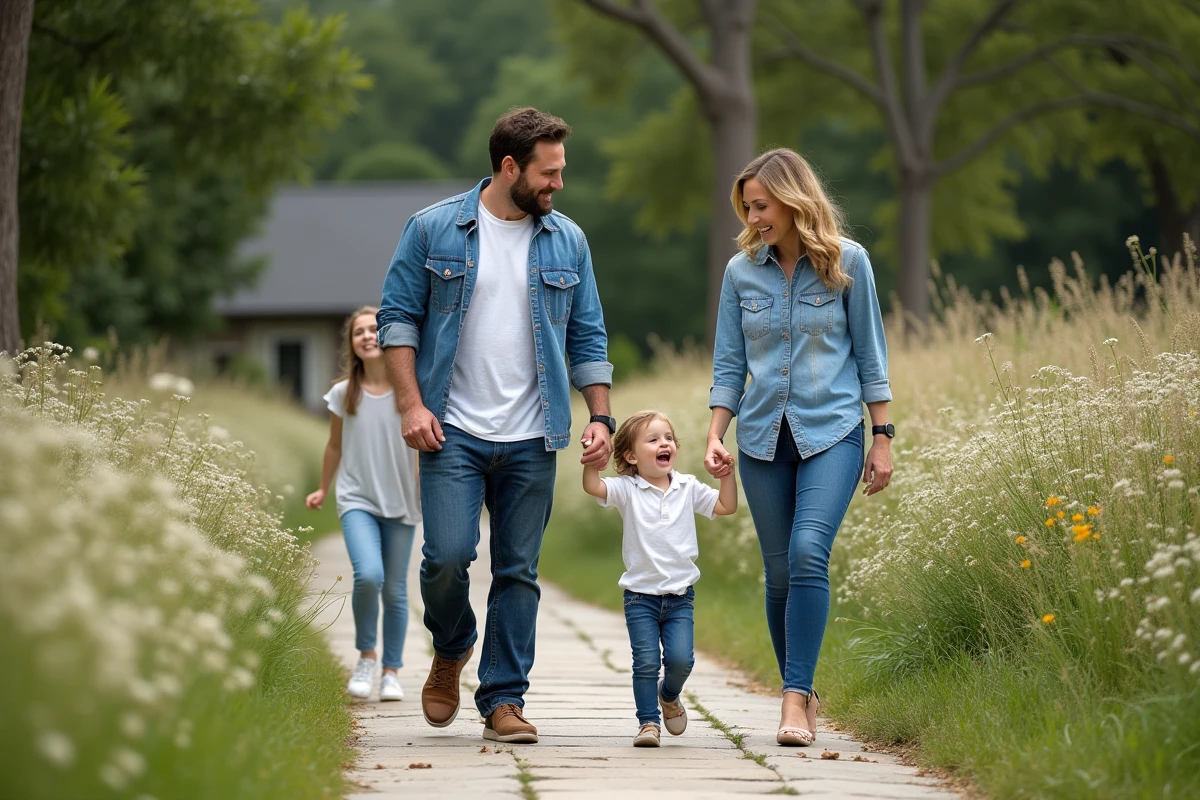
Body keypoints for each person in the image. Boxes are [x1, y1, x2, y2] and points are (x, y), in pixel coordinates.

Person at [376, 107, 614, 745]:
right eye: (548, 172)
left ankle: (504, 700)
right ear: (509, 167)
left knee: (518, 572)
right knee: (447, 559)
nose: (558, 184)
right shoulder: (431, 230)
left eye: (561, 172)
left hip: (535, 435)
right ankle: (452, 646)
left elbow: (588, 333)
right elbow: (397, 320)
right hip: (450, 430)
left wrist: (600, 415)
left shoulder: (569, 240)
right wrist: (410, 405)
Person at [704, 148, 894, 747]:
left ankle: (791, 695)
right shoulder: (741, 273)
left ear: (792, 200)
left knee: (810, 549)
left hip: (833, 430)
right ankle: (804, 692)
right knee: (780, 570)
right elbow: (730, 365)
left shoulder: (848, 263)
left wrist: (882, 436)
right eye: (748, 207)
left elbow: (871, 356)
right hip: (763, 437)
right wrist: (716, 431)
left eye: (761, 205)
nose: (754, 217)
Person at [582, 410, 737, 747]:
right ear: (631, 456)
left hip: (681, 596)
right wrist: (593, 460)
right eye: (653, 440)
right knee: (646, 662)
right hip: (640, 596)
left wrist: (727, 475)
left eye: (668, 438)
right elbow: (593, 485)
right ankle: (648, 723)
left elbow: (726, 505)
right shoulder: (627, 489)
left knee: (682, 660)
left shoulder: (687, 487)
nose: (663, 443)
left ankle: (668, 696)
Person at [306, 306, 421, 702]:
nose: (369, 336)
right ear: (352, 344)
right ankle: (366, 657)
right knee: (368, 575)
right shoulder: (343, 394)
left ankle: (391, 670)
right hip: (357, 498)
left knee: (395, 591)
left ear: (388, 337)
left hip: (402, 500)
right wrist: (323, 489)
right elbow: (334, 445)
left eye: (375, 329)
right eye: (360, 332)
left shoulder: (409, 391)